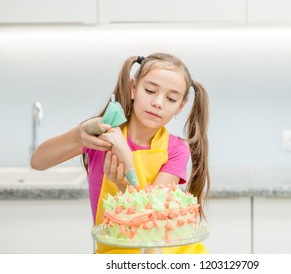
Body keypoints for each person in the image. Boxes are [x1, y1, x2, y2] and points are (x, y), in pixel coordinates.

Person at [31, 53, 210, 254]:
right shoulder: (101, 135)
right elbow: (38, 161)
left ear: (180, 106)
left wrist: (125, 176)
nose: (158, 102)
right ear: (133, 88)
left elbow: (153, 219)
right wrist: (77, 136)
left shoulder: (175, 149)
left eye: (171, 98)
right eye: (150, 90)